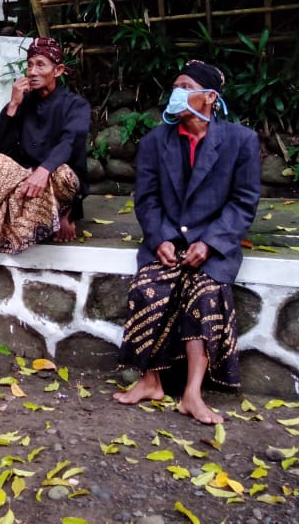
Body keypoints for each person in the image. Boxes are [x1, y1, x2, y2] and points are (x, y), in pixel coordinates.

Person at [112, 60, 260, 425]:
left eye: (186, 87)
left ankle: (193, 393)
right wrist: (160, 238)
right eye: (175, 87)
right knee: (148, 287)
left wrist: (209, 243)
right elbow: (147, 199)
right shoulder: (154, 141)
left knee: (206, 292)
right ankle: (150, 382)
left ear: (210, 97)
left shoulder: (240, 141)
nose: (177, 93)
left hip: (213, 242)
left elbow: (243, 202)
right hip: (168, 238)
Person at [0, 37, 90, 254]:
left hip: (55, 177)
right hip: (25, 177)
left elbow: (69, 142)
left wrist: (44, 170)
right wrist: (13, 105)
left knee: (63, 174)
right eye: (29, 65)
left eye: (40, 65)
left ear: (58, 70)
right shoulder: (23, 101)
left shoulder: (76, 105)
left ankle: (65, 210)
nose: (32, 72)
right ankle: (49, 216)